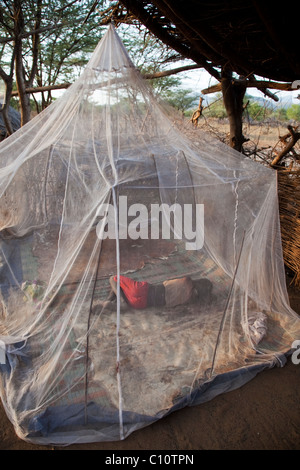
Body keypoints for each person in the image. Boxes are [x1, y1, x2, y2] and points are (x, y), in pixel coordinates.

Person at [102, 274, 212, 311]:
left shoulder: (187, 281)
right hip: (140, 305)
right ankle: (110, 303)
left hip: (142, 290)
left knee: (113, 278)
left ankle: (116, 301)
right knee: (119, 286)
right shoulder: (191, 300)